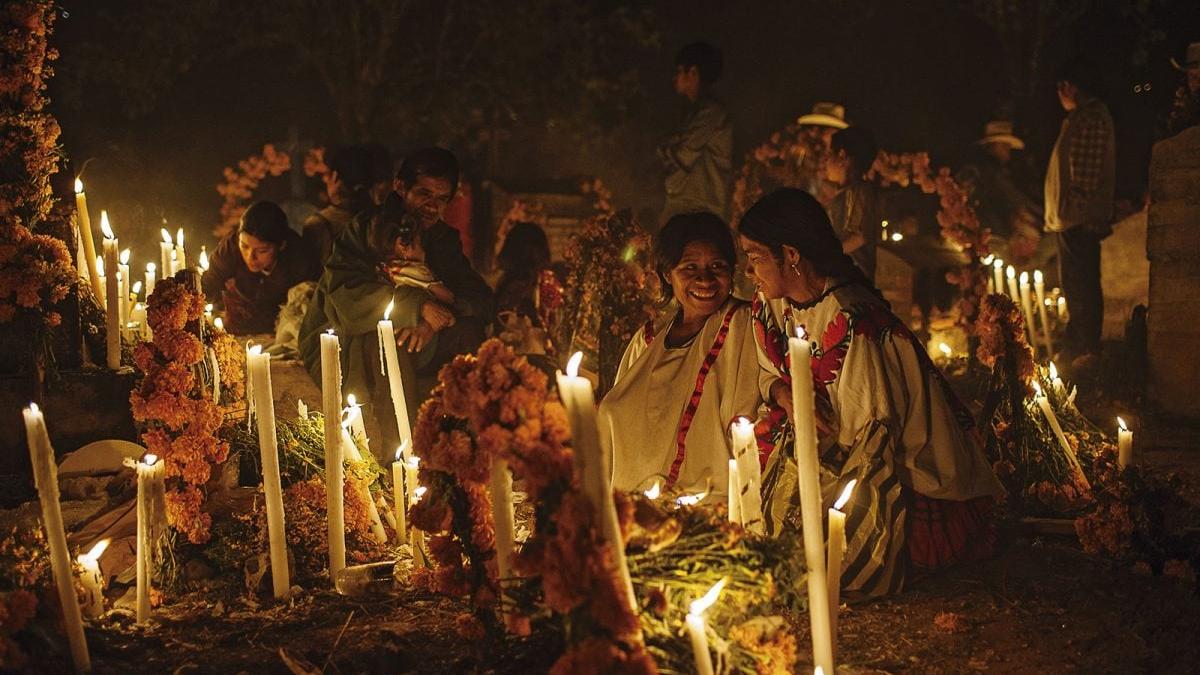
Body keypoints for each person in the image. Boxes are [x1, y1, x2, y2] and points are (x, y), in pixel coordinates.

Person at [739, 189, 1003, 598]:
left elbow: (866, 441)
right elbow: (766, 371)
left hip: (895, 467)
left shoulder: (855, 324)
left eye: (755, 258)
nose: (749, 272)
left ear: (790, 254)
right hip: (820, 439)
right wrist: (785, 393)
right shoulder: (773, 303)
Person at [599, 212, 766, 498]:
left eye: (717, 266)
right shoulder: (647, 340)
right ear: (667, 274)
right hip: (636, 510)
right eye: (690, 268)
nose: (705, 280)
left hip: (713, 505)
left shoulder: (746, 325)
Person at [1045, 57, 1115, 366]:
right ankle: (1077, 345)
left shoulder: (1090, 117)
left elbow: (1085, 172)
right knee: (1075, 283)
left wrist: (1077, 206)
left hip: (1079, 217)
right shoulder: (1080, 117)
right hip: (1071, 216)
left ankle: (1087, 348)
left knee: (1082, 282)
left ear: (1070, 86)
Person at [201, 201, 321, 335]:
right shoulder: (230, 248)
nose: (250, 257)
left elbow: (310, 302)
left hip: (282, 331)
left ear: (281, 245)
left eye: (262, 251)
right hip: (237, 329)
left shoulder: (299, 260)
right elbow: (211, 281)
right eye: (244, 246)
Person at [657, 41, 733, 223]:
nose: (674, 78)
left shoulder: (712, 113)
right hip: (684, 205)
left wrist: (669, 149)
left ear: (693, 73)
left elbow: (683, 155)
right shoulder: (690, 113)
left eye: (678, 71)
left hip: (702, 210)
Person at [824, 126, 881, 280]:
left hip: (853, 281)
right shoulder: (844, 193)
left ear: (842, 156)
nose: (825, 160)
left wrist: (823, 259)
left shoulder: (859, 190)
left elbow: (859, 237)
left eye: (829, 154)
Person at [303, 145, 375, 263]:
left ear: (335, 176)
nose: (324, 180)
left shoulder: (318, 225)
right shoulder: (381, 218)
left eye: (326, 174)